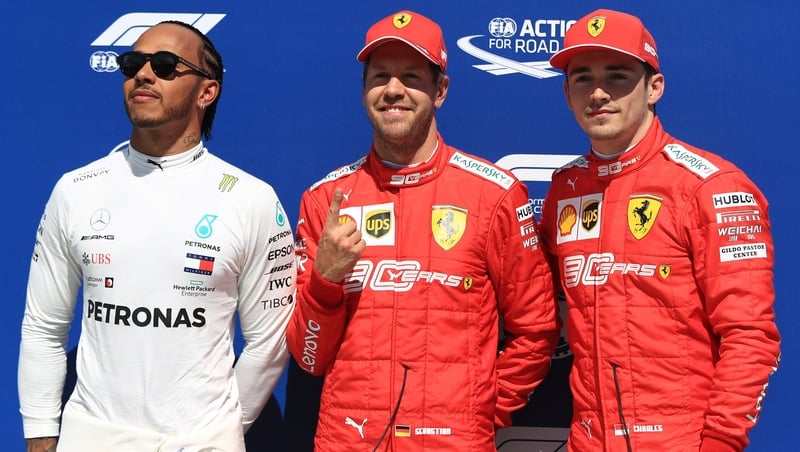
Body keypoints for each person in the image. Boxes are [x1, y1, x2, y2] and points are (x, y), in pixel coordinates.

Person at [286, 10, 560, 451]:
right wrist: (326, 280)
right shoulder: (326, 200)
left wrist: (482, 411)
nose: (393, 90)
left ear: (440, 90)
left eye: (411, 76)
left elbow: (538, 329)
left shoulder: (494, 194)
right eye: (380, 77)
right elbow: (309, 357)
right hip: (350, 440)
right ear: (363, 92)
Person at [18, 21, 296, 452]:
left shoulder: (251, 199)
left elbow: (270, 339)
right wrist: (39, 434)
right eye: (132, 64)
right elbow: (43, 328)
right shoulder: (76, 189)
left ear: (207, 92)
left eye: (166, 66)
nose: (143, 75)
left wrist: (222, 427)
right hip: (91, 437)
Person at [539, 8, 781, 452]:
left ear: (654, 87)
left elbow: (751, 337)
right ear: (567, 95)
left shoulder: (711, 186)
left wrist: (720, 443)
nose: (597, 93)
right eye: (582, 78)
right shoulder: (565, 190)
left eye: (617, 76)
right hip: (587, 441)